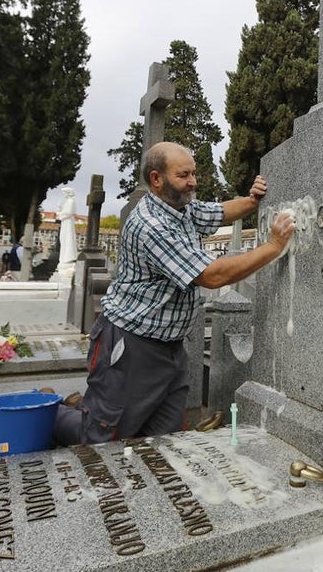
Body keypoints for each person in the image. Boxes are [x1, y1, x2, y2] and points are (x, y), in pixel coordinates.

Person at [51, 141, 295, 444]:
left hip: (169, 347)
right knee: (104, 435)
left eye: (193, 173)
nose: (192, 182)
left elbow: (219, 212)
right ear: (156, 179)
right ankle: (53, 413)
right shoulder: (150, 224)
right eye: (183, 175)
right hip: (130, 343)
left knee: (164, 438)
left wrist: (253, 200)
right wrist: (273, 246)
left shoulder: (180, 206)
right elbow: (211, 276)